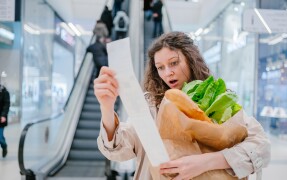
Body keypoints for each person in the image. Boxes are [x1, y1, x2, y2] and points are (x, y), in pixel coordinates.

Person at [95, 32, 271, 179]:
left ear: (190, 59)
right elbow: (119, 150)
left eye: (174, 63)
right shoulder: (149, 106)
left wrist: (207, 162)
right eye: (160, 67)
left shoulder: (216, 99)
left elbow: (261, 146)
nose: (168, 72)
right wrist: (107, 107)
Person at [0, 84, 10, 158]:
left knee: (0, 138)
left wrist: (3, 115)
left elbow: (6, 104)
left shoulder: (4, 91)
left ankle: (4, 146)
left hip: (0, 118)